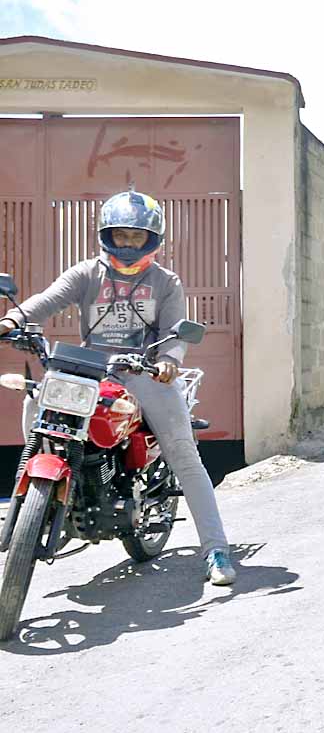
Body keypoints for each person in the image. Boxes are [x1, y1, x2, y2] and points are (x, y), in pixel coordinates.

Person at [0, 189, 236, 585]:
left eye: (136, 237)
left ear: (152, 239)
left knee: (184, 455)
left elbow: (175, 331)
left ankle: (215, 549)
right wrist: (12, 320)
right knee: (36, 398)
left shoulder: (165, 281)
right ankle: (42, 505)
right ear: (106, 235)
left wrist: (168, 361)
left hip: (144, 373)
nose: (127, 244)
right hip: (90, 370)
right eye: (121, 235)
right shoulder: (87, 273)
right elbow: (49, 299)